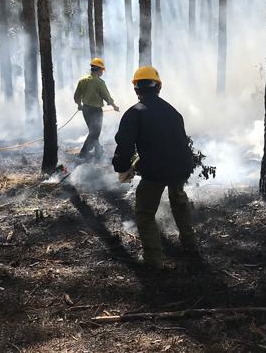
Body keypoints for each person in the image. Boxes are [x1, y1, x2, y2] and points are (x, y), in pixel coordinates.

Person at [113, 66, 197, 270]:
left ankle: (153, 260)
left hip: (156, 171)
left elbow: (125, 145)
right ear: (158, 87)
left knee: (144, 212)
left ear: (136, 89)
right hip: (180, 166)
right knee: (179, 201)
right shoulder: (173, 111)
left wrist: (122, 167)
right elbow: (180, 142)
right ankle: (191, 245)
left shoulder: (134, 113)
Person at [73, 57, 119, 159]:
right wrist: (115, 107)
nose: (102, 72)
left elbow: (76, 96)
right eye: (102, 70)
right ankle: (83, 154)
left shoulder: (82, 80)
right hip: (96, 112)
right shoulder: (99, 82)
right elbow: (107, 97)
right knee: (94, 133)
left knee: (93, 132)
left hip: (85, 110)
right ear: (98, 70)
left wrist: (79, 105)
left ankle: (98, 151)